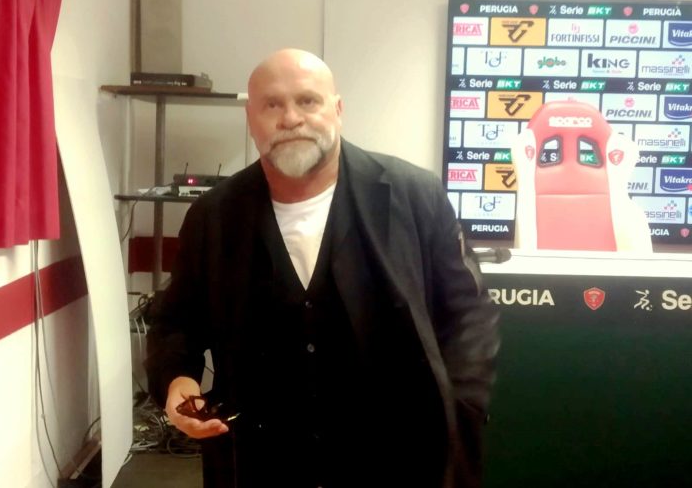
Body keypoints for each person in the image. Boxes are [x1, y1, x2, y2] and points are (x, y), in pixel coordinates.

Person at [145, 48, 499, 488]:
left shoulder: (415, 196)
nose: (291, 118)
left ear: (338, 109)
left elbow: (469, 314)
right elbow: (176, 320)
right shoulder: (213, 217)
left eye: (307, 101)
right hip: (262, 463)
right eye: (272, 105)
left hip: (399, 461)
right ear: (251, 120)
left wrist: (459, 408)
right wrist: (176, 379)